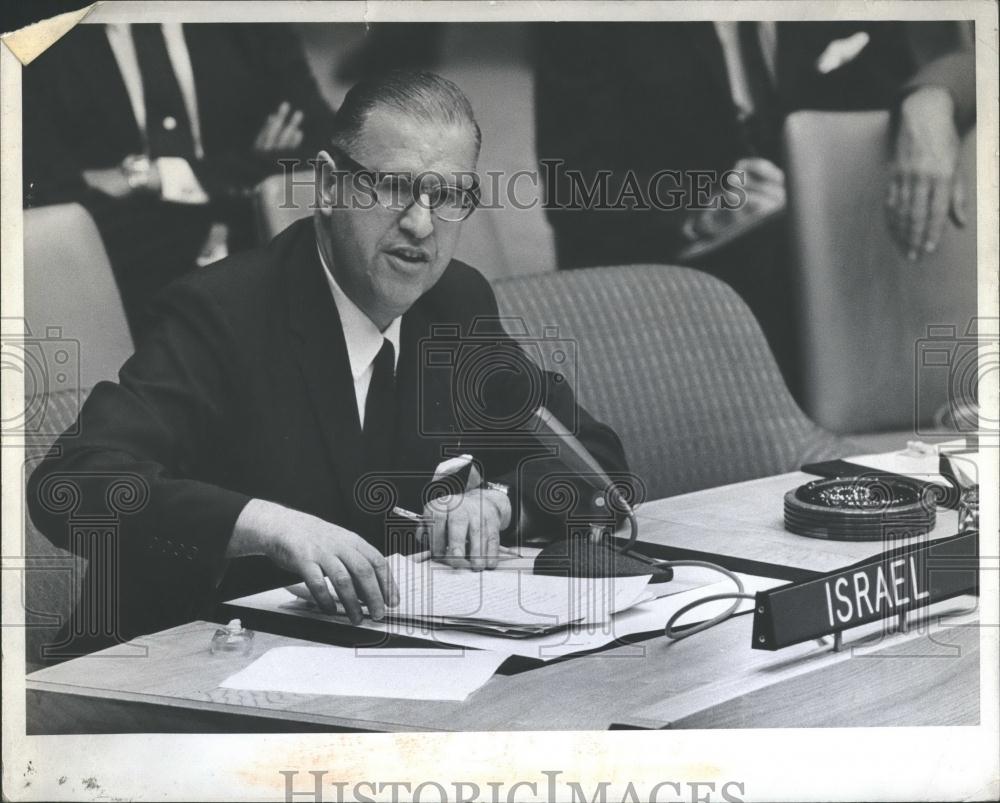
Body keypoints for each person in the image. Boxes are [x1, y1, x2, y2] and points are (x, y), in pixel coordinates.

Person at [27, 71, 632, 658]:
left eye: (446, 196)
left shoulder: (452, 303)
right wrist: (269, 525)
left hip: (361, 662)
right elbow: (70, 484)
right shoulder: (223, 312)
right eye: (393, 186)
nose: (421, 224)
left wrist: (498, 503)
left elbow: (595, 464)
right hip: (168, 671)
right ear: (327, 184)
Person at [534, 21, 963, 393]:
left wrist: (931, 99)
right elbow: (575, 189)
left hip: (840, 295)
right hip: (672, 301)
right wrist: (702, 215)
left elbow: (957, 58)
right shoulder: (592, 19)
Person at [22, 22, 336, 340]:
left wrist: (152, 176)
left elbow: (327, 144)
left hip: (256, 277)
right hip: (121, 296)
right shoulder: (41, 36)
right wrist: (251, 169)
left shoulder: (244, 21)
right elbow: (45, 191)